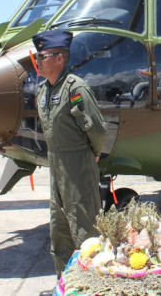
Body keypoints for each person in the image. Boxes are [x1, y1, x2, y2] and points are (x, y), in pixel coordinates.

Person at [31, 30, 107, 279]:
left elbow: (96, 129)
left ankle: (94, 285)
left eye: (42, 56)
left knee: (85, 230)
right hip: (56, 164)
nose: (38, 62)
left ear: (59, 58)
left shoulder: (76, 88)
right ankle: (65, 283)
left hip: (78, 164)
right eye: (37, 57)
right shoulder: (44, 90)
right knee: (59, 228)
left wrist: (93, 154)